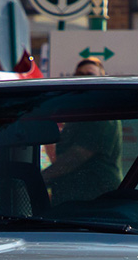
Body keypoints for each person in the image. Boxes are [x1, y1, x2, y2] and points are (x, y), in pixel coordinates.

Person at [43, 57, 122, 202]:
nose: (83, 78)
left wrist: (42, 178)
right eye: (79, 74)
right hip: (71, 200)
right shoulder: (79, 114)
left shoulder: (101, 111)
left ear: (102, 80)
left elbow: (76, 156)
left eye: (90, 75)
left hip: (96, 201)